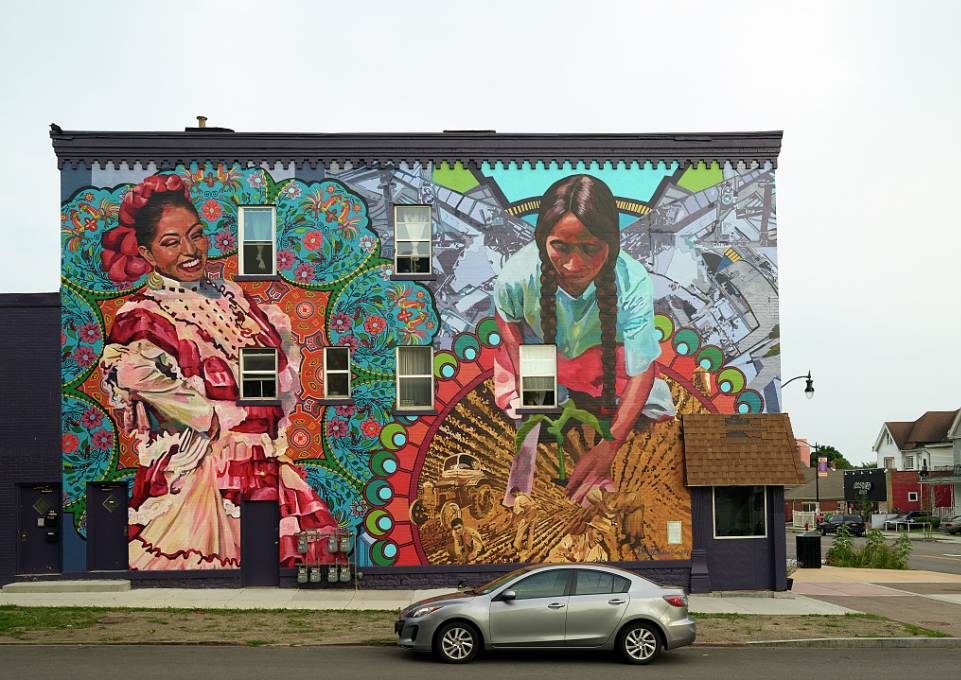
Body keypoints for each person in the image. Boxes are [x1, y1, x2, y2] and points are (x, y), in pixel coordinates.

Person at [99, 174, 338, 570]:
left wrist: (263, 405)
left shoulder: (235, 298)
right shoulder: (144, 314)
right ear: (146, 252)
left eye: (197, 235)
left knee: (276, 558)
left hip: (262, 461)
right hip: (200, 473)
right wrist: (213, 416)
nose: (191, 251)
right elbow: (138, 377)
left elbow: (280, 364)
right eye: (171, 242)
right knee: (209, 562)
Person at [494, 175, 675, 507]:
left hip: (606, 360)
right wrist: (526, 374)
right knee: (534, 416)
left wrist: (607, 450)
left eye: (591, 248)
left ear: (611, 245)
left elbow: (641, 368)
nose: (574, 265)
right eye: (560, 246)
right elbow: (506, 316)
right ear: (541, 241)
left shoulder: (632, 281)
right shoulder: (517, 275)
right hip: (542, 352)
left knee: (644, 419)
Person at [546, 516, 614, 563]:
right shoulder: (571, 540)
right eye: (598, 533)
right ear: (590, 529)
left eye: (603, 536)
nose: (600, 538)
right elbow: (553, 557)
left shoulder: (602, 554)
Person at [509, 485, 539, 559]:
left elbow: (516, 512)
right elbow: (533, 504)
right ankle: (529, 548)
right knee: (531, 532)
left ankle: (517, 548)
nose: (513, 496)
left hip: (528, 515)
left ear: (516, 492)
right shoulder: (525, 495)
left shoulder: (518, 498)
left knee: (520, 531)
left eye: (513, 494)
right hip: (534, 514)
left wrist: (512, 522)